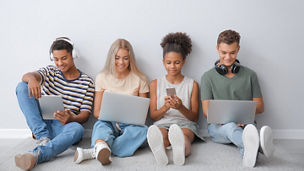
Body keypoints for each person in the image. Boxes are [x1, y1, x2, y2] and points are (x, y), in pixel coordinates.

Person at [14, 37, 95, 170]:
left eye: (64, 58)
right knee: (22, 86)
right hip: (43, 122)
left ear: (73, 55)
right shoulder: (51, 71)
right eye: (56, 59)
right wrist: (32, 79)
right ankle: (43, 137)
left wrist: (72, 118)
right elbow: (27, 76)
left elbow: (85, 115)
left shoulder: (87, 82)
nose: (60, 63)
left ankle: (37, 155)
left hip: (63, 127)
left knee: (78, 129)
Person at [201, 30, 274, 167]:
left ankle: (249, 155)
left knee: (248, 131)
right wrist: (232, 119)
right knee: (230, 127)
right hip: (219, 128)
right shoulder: (207, 77)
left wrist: (241, 118)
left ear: (238, 49)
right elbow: (206, 111)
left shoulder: (250, 75)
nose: (228, 57)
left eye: (232, 53)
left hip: (246, 124)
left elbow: (260, 107)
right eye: (223, 52)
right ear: (217, 49)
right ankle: (259, 146)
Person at [73, 39, 149, 165]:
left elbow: (142, 115)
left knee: (144, 130)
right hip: (109, 121)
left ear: (131, 59)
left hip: (130, 125)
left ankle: (96, 150)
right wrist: (114, 117)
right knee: (100, 126)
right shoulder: (102, 77)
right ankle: (102, 147)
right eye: (117, 58)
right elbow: (97, 112)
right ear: (111, 58)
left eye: (125, 58)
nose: (121, 62)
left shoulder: (140, 79)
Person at [147, 32, 204, 166]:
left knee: (183, 138)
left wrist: (181, 107)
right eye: (169, 62)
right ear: (163, 62)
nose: (172, 66)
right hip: (163, 123)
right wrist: (166, 107)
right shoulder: (155, 84)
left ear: (183, 62)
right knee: (161, 137)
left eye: (177, 62)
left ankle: (180, 152)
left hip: (185, 124)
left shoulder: (192, 85)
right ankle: (162, 152)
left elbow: (195, 117)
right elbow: (153, 116)